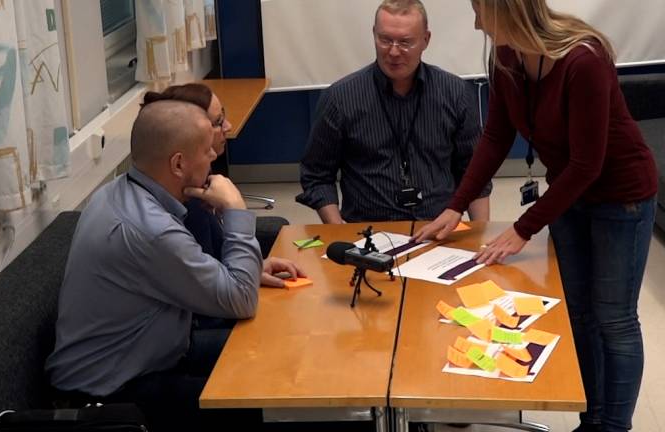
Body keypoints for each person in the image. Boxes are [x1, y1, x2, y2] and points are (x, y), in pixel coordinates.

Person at [415, 1, 658, 431]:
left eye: (480, 11)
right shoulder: (506, 56)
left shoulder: (583, 60)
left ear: (508, 10)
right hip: (569, 196)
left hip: (621, 198)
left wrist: (523, 228)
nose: (476, 23)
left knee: (614, 318)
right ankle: (592, 420)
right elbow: (496, 136)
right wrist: (456, 204)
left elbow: (587, 164)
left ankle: (614, 427)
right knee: (578, 313)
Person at [46, 100, 271, 428]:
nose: (214, 155)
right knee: (256, 402)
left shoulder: (118, 191)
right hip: (112, 393)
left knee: (266, 351)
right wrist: (236, 209)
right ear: (178, 164)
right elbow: (241, 298)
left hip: (153, 355)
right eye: (206, 150)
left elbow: (199, 273)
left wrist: (249, 265)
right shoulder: (150, 230)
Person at [296, 0, 491, 224]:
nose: (394, 51)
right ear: (374, 35)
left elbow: (475, 172)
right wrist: (338, 230)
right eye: (385, 40)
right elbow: (317, 175)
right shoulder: (339, 98)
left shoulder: (455, 93)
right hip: (368, 229)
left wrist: (480, 233)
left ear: (425, 40)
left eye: (405, 42)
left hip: (439, 226)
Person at [141, 84, 300, 287]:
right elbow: (226, 291)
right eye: (218, 122)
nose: (228, 126)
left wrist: (256, 268)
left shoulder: (196, 176)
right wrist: (236, 209)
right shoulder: (188, 199)